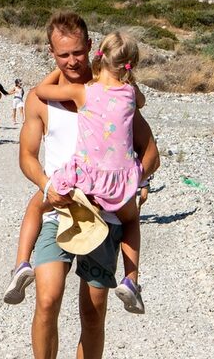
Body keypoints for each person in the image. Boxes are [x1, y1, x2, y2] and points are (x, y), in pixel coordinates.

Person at [11, 12, 159, 359]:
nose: (73, 61)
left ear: (90, 46)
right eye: (63, 54)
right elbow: (27, 156)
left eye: (79, 52)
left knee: (92, 315)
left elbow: (150, 152)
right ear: (51, 53)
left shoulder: (113, 91)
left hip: (106, 218)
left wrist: (136, 183)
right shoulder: (44, 99)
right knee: (46, 300)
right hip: (59, 210)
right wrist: (46, 186)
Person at [29, 30, 147, 312]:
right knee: (131, 220)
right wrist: (139, 179)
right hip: (121, 181)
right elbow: (140, 106)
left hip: (85, 179)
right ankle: (131, 279)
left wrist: (55, 69)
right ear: (129, 65)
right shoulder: (131, 94)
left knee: (37, 204)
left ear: (97, 55)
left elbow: (40, 91)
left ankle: (21, 264)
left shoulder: (83, 92)